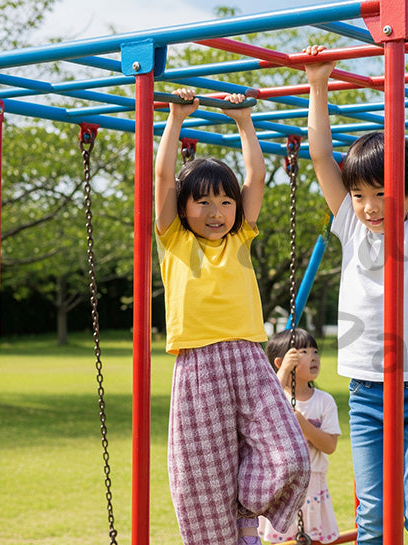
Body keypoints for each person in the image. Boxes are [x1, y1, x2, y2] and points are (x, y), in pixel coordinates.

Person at [303, 33, 408, 545]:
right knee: (372, 517)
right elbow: (322, 158)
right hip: (368, 389)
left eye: (381, 194)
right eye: (360, 194)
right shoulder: (349, 224)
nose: (369, 206)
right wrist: (318, 88)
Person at [154, 88, 310, 545]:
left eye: (225, 201)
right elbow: (163, 177)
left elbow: (256, 177)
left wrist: (244, 121)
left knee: (290, 455)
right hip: (199, 367)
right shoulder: (174, 241)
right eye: (202, 202)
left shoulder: (240, 237)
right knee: (201, 479)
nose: (216, 212)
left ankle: (245, 499)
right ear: (183, 208)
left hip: (248, 359)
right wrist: (174, 118)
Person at [259, 328, 341, 544]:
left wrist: (303, 424)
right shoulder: (277, 397)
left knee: (312, 538)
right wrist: (284, 372)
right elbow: (265, 408)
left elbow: (330, 446)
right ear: (281, 362)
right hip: (282, 483)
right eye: (303, 352)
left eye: (315, 351)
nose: (313, 356)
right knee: (283, 539)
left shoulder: (324, 401)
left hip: (314, 483)